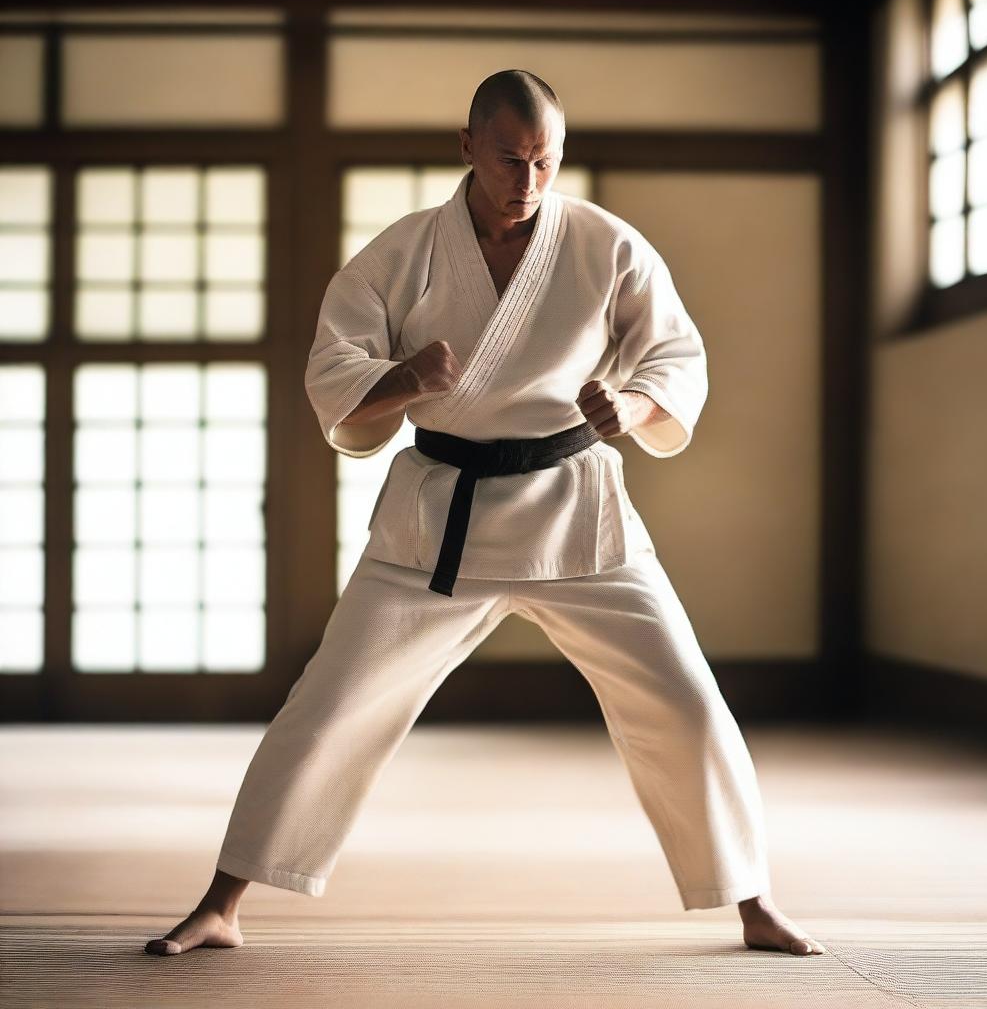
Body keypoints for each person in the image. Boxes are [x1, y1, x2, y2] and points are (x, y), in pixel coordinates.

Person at [145, 69, 824, 958]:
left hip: (575, 509)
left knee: (686, 702)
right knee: (328, 706)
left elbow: (674, 355)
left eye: (547, 161)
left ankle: (752, 901)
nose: (529, 182)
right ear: (467, 147)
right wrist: (403, 381)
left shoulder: (606, 244)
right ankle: (223, 902)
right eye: (511, 159)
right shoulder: (402, 253)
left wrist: (633, 404)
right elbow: (333, 371)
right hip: (438, 519)